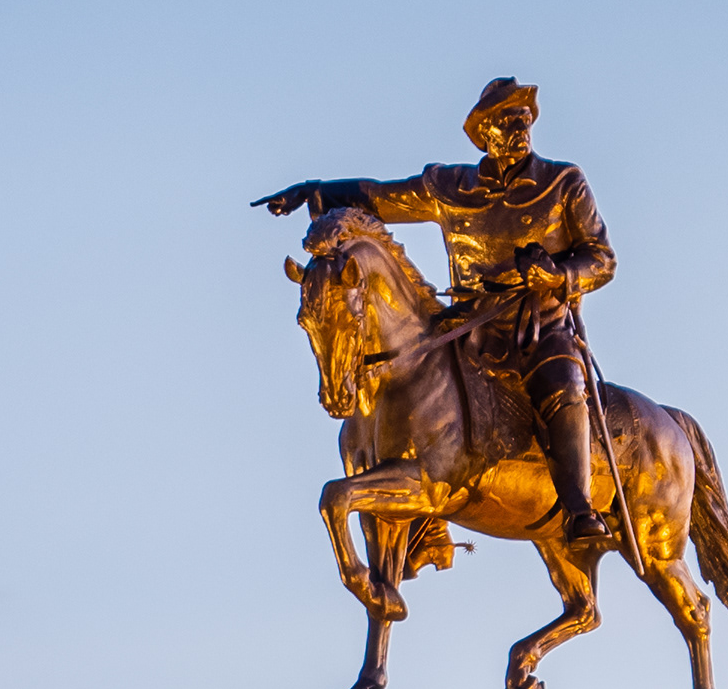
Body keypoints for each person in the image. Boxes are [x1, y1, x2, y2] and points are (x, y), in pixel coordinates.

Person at [259, 78, 624, 557]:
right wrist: (315, 191)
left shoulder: (564, 182)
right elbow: (379, 196)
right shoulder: (454, 187)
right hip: (468, 328)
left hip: (538, 327)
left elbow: (602, 259)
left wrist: (556, 274)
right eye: (508, 120)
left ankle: (579, 509)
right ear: (485, 132)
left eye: (525, 118)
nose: (521, 127)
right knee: (406, 382)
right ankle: (424, 519)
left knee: (561, 381)